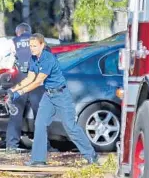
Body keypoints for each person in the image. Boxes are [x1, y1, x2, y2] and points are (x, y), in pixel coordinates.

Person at [7, 33, 98, 166]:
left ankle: (91, 156)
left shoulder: (47, 58)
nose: (32, 48)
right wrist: (13, 90)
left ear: (42, 45)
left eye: (35, 46)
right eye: (30, 46)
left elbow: (38, 81)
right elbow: (29, 78)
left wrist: (19, 93)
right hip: (48, 96)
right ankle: (38, 159)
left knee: (70, 127)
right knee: (40, 124)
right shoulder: (33, 59)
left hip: (61, 95)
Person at [4, 23, 57, 154]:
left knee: (15, 114)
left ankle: (11, 145)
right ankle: (43, 145)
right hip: (36, 82)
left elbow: (5, 62)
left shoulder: (12, 42)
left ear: (18, 33)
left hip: (18, 80)